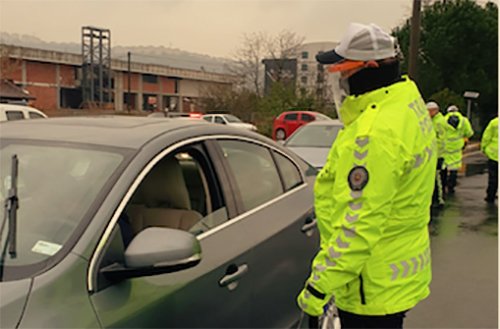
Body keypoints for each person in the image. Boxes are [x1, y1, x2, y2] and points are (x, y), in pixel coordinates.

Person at [296, 22, 436, 329]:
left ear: (370, 67)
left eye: (345, 70)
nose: (342, 80)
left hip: (370, 285)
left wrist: (317, 288)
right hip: (397, 271)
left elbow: (358, 225)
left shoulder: (374, 133)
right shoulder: (407, 106)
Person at [442, 105, 474, 195]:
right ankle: (451, 186)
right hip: (457, 146)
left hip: (445, 146)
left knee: (443, 166)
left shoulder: (443, 120)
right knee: (454, 166)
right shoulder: (464, 120)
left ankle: (443, 185)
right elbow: (469, 133)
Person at [427, 101, 446, 208]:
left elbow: (440, 140)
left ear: (434, 111)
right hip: (433, 153)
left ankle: (438, 200)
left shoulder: (439, 122)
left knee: (436, 178)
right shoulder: (434, 120)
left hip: (437, 154)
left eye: (428, 111)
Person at [481, 116, 498, 203]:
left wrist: (483, 148)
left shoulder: (494, 122)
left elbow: (486, 137)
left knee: (493, 177)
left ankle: (490, 196)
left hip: (494, 154)